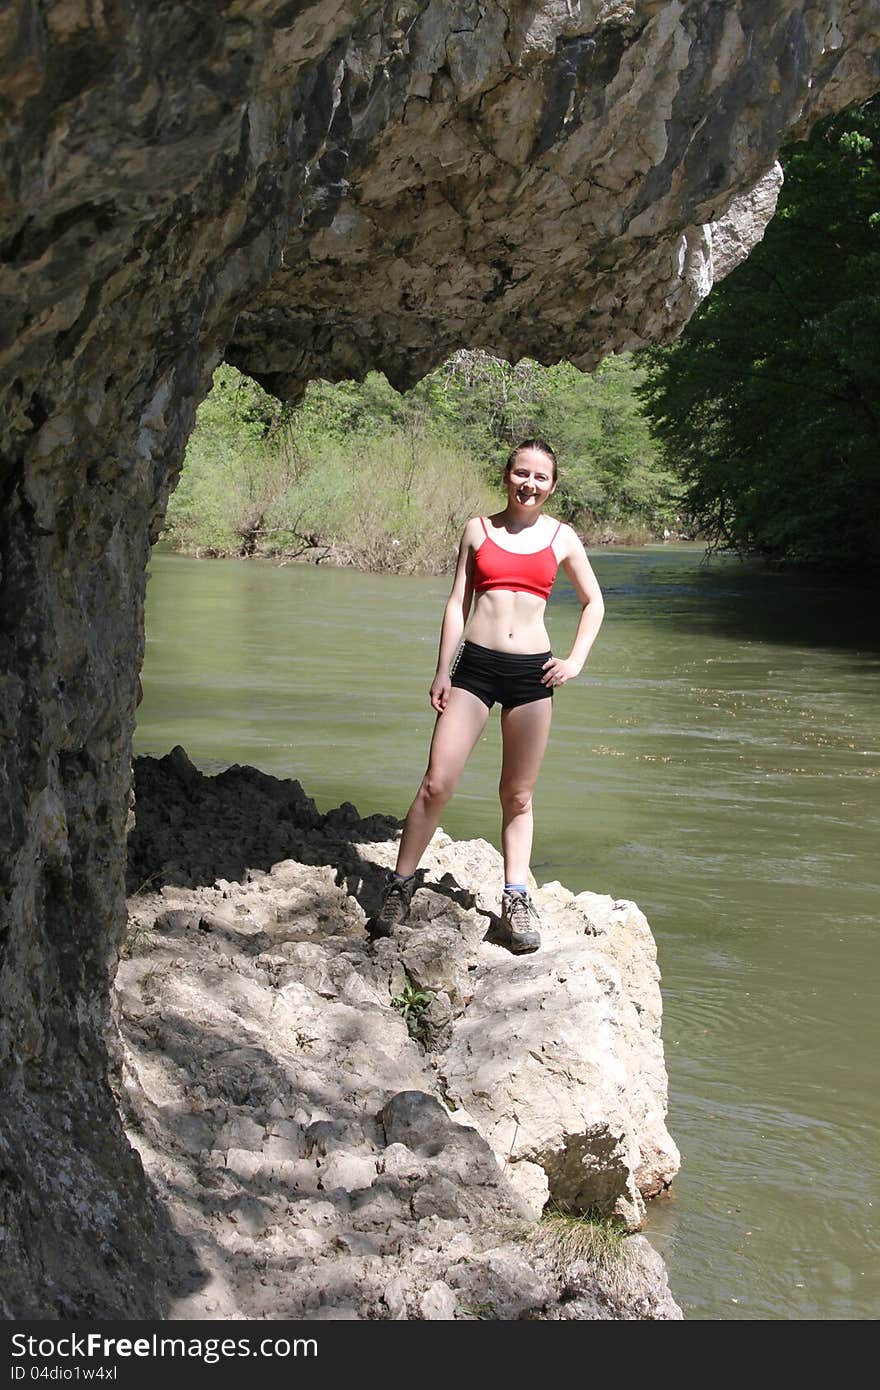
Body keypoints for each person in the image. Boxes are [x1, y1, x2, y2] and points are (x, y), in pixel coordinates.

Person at [374, 439, 605, 951]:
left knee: (518, 794)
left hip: (532, 677)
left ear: (552, 485)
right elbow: (458, 601)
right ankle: (400, 885)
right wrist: (442, 670)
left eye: (540, 477)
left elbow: (594, 603)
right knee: (437, 783)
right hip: (474, 669)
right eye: (522, 473)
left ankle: (516, 896)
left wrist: (575, 661)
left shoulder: (563, 538)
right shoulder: (478, 530)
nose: (530, 484)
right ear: (507, 475)